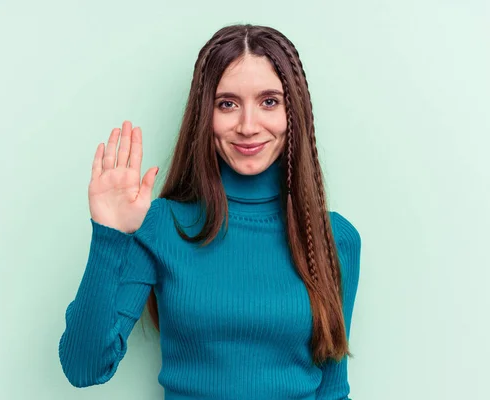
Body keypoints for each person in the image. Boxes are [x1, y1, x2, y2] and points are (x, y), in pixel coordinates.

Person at [58, 23, 361, 400]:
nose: (248, 126)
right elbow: (84, 367)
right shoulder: (161, 226)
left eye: (269, 101)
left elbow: (333, 392)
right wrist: (109, 236)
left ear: (293, 112)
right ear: (206, 114)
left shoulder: (334, 239)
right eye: (227, 104)